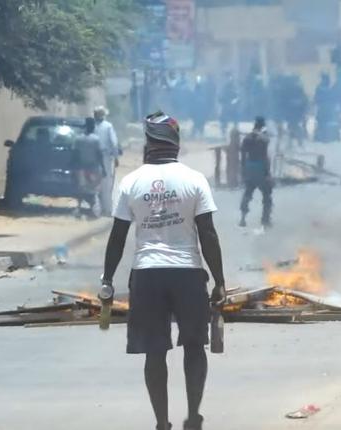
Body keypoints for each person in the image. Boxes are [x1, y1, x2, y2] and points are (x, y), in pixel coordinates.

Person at [100, 111, 226, 430]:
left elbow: (118, 236)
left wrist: (107, 279)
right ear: (176, 142)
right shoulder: (195, 179)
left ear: (149, 142)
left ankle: (161, 422)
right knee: (194, 345)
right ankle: (193, 414)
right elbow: (207, 233)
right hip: (187, 273)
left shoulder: (131, 182)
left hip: (147, 274)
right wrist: (220, 281)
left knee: (154, 351)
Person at [239, 117, 273, 227]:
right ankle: (265, 219)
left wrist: (243, 170)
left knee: (248, 192)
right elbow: (264, 156)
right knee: (266, 194)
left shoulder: (247, 138)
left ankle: (242, 218)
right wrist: (267, 173)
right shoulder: (263, 139)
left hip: (249, 166)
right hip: (260, 167)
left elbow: (243, 155)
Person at [72, 118, 106, 217]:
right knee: (94, 188)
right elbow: (99, 154)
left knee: (81, 188)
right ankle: (93, 209)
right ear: (93, 127)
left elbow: (75, 154)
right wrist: (103, 168)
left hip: (81, 167)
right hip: (93, 168)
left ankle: (78, 208)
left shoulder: (78, 138)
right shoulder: (96, 139)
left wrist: (74, 166)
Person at [94, 106, 121, 215]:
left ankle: (96, 209)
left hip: (93, 157)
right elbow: (114, 143)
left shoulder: (92, 126)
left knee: (95, 183)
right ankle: (107, 209)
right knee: (106, 184)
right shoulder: (108, 126)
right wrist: (116, 158)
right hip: (105, 157)